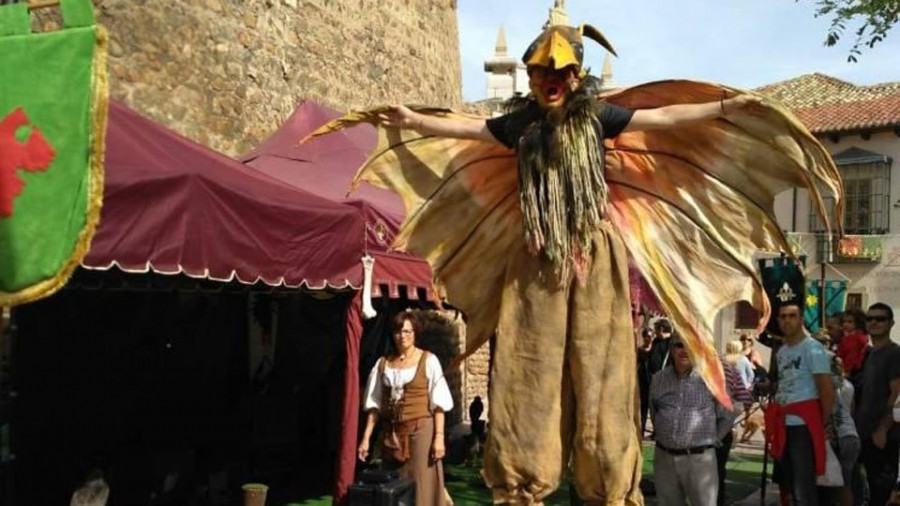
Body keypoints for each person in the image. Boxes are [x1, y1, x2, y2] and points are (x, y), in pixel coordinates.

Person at [313, 12, 842, 502]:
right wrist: (411, 119)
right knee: (527, 370)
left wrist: (725, 108)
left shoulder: (600, 116)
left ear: (575, 75)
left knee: (605, 373)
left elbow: (666, 120)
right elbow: (469, 129)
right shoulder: (521, 124)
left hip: (594, 253)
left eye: (559, 71)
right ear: (530, 74)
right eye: (540, 70)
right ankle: (522, 484)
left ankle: (609, 487)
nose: (550, 80)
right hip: (535, 257)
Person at [359, 312, 454, 506]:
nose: (403, 336)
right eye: (399, 331)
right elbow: (374, 405)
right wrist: (366, 439)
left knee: (422, 484)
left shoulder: (428, 360)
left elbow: (439, 404)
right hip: (392, 434)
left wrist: (439, 437)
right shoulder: (383, 364)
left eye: (408, 331)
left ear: (415, 334)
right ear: (393, 335)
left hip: (421, 432)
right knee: (393, 485)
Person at [651, 334, 735, 506]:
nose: (685, 350)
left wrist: (712, 440)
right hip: (664, 458)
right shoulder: (658, 379)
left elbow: (726, 415)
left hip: (699, 459)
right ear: (672, 349)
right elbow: (654, 411)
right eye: (679, 345)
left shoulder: (712, 377)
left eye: (691, 345)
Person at [765, 302, 836, 506]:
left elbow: (826, 388)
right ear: (778, 320)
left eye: (792, 316)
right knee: (788, 484)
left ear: (801, 320)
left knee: (803, 488)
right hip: (783, 423)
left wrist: (821, 423)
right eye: (783, 316)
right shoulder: (782, 351)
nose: (787, 320)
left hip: (803, 425)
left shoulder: (812, 348)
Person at [854, 303, 900, 506]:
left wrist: (883, 428)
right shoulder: (870, 353)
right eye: (870, 318)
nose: (874, 322)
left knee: (880, 493)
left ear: (891, 323)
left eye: (880, 319)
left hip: (883, 436)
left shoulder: (895, 353)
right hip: (863, 432)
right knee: (866, 491)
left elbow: (897, 394)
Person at [830, 355, 861, 506]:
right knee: (846, 483)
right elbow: (852, 409)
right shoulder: (849, 385)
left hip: (837, 436)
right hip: (852, 434)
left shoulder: (826, 384)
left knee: (831, 484)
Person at [838, 309, 869, 377]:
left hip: (852, 373)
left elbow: (852, 357)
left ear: (858, 323)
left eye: (850, 322)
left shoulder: (857, 338)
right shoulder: (847, 337)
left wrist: (846, 371)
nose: (845, 324)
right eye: (844, 321)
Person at [637, 327, 654, 435]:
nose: (649, 338)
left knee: (654, 408)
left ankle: (656, 432)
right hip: (642, 382)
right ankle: (641, 430)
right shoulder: (640, 350)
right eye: (647, 336)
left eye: (651, 336)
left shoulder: (655, 350)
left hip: (653, 382)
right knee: (643, 408)